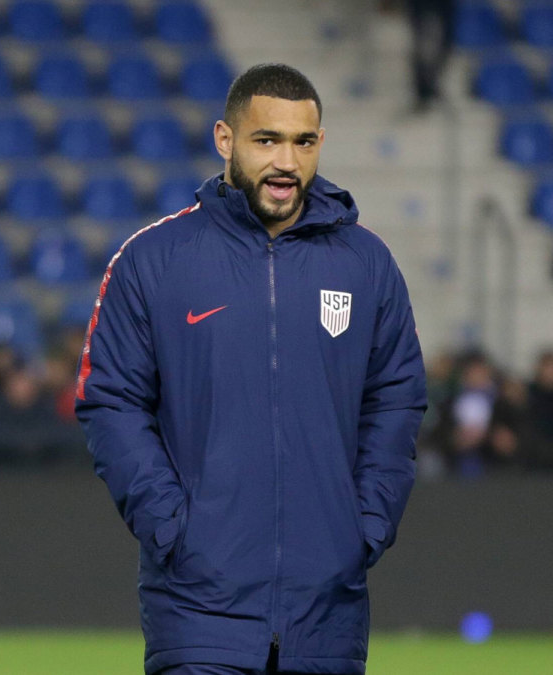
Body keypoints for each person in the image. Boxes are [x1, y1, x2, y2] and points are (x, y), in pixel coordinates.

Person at [75, 64, 426, 675]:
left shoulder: (367, 264)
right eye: (267, 140)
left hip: (327, 613)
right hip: (197, 610)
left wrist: (364, 524)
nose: (286, 160)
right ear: (225, 139)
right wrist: (172, 529)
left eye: (304, 141)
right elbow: (110, 403)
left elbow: (396, 400)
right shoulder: (153, 261)